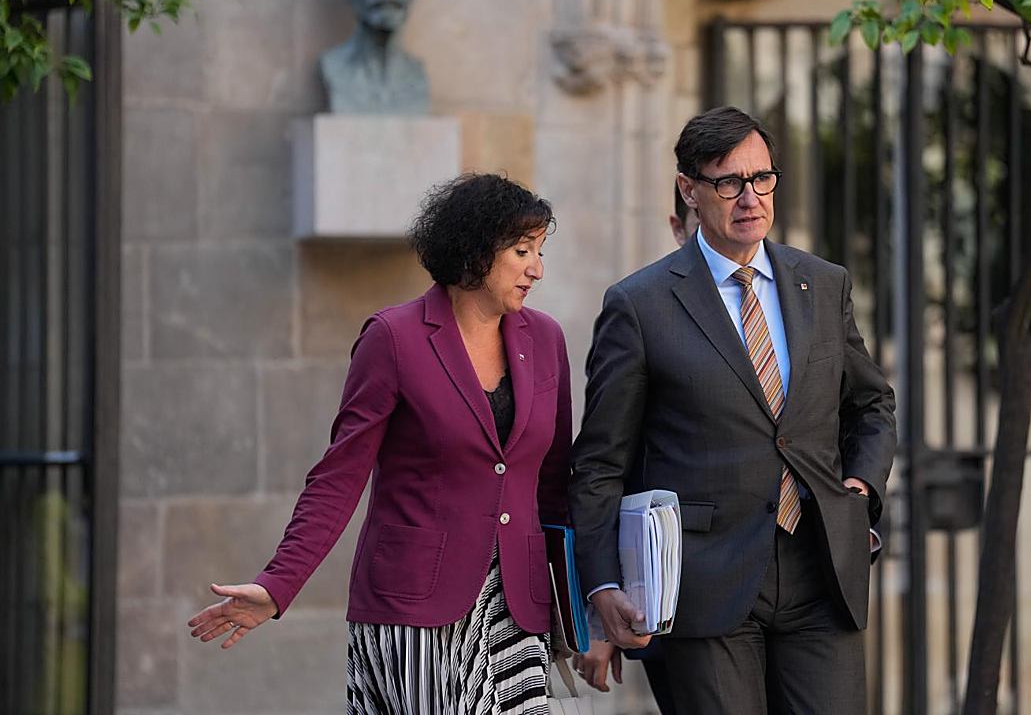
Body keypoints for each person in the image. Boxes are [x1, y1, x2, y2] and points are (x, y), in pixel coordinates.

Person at [187, 174, 573, 715]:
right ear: (473, 251)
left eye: (540, 250)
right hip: (413, 609)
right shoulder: (394, 338)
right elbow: (338, 478)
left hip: (516, 612)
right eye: (522, 250)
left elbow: (555, 486)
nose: (537, 269)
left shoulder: (546, 340)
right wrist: (277, 585)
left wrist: (583, 612)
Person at [569, 106, 897, 715]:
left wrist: (860, 488)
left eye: (762, 179)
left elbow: (871, 402)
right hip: (705, 585)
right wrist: (603, 585)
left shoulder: (824, 284)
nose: (750, 198)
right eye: (728, 182)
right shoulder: (639, 306)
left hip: (822, 568)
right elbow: (599, 463)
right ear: (689, 191)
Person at [570, 186, 697, 713]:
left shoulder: (787, 303)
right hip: (672, 589)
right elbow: (606, 462)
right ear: (678, 225)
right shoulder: (641, 310)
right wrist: (602, 611)